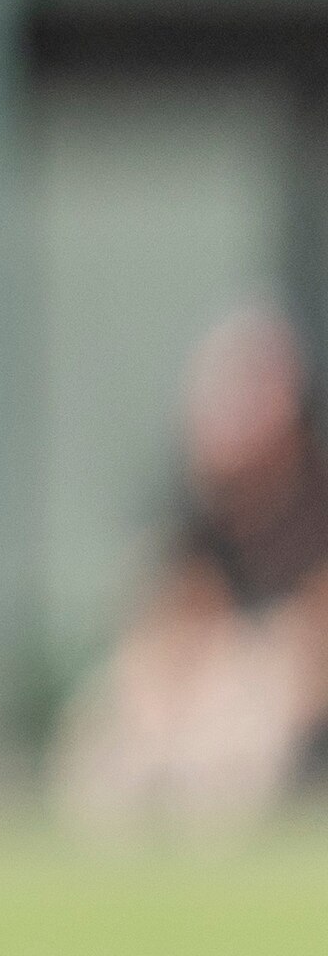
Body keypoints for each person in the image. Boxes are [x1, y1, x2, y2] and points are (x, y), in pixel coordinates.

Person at [55, 309, 328, 839]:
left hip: (281, 696)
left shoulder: (315, 494)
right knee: (110, 741)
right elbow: (167, 625)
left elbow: (312, 646)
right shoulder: (195, 500)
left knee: (244, 717)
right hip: (210, 681)